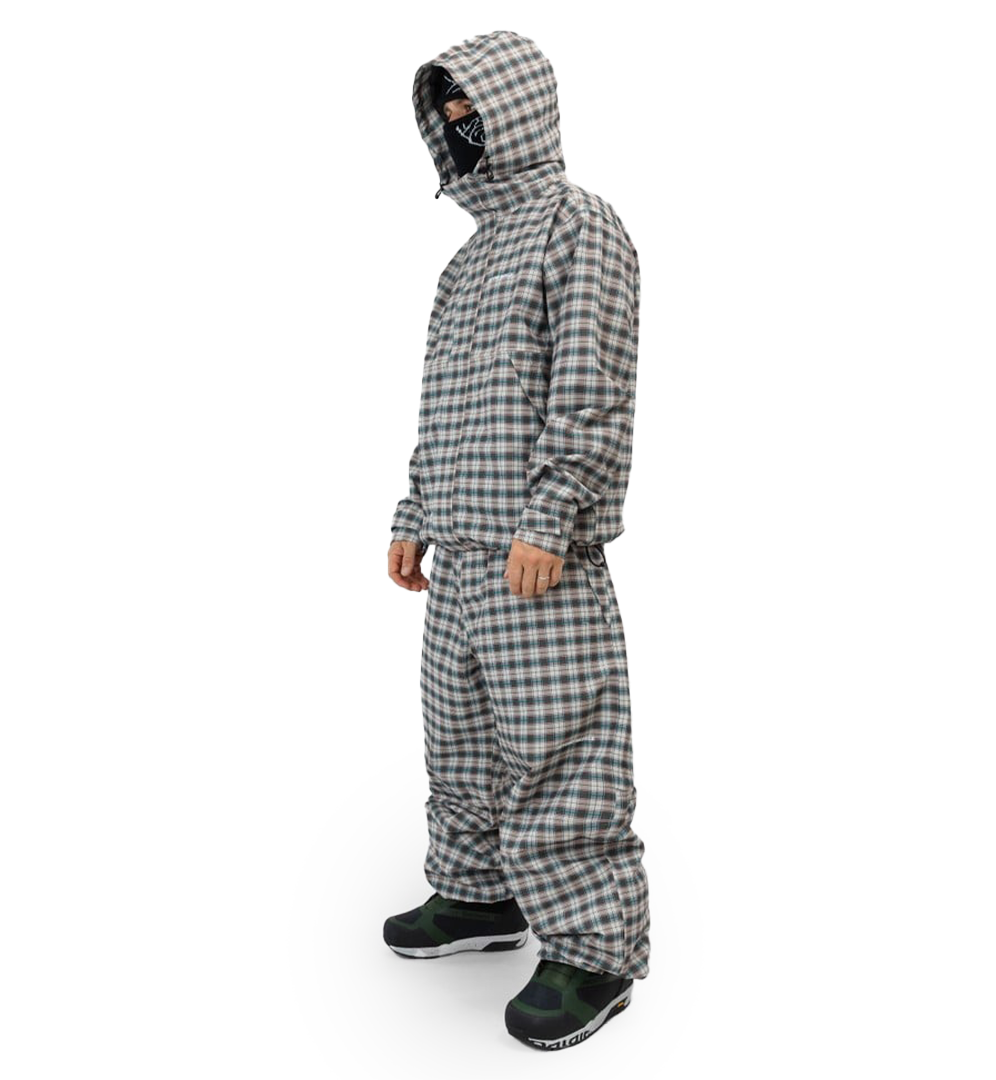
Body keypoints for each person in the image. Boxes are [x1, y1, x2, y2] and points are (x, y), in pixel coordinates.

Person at [383, 30, 649, 1051]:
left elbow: (592, 382)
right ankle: (479, 891)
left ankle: (593, 950)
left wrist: (556, 513)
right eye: (447, 115)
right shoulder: (465, 264)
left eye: (475, 110)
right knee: (459, 735)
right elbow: (441, 408)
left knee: (559, 746)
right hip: (459, 555)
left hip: (540, 556)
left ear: (521, 108)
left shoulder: (579, 226)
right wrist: (413, 514)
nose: (462, 130)